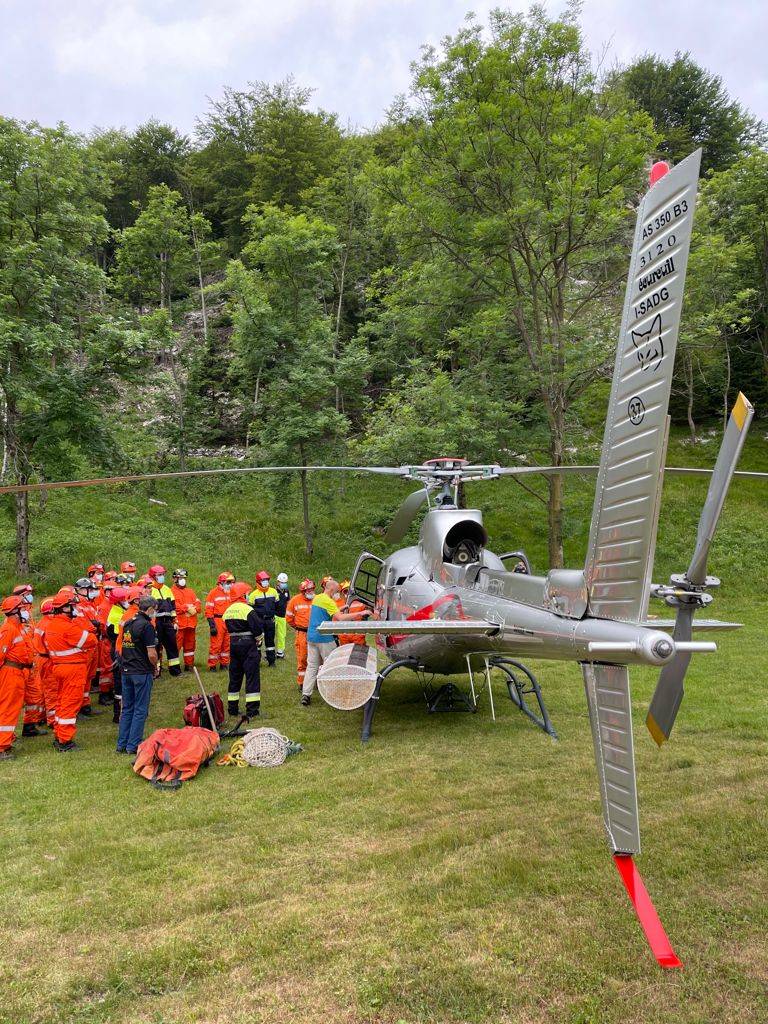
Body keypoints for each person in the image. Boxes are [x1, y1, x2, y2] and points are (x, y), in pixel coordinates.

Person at [301, 577, 370, 706]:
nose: (337, 594)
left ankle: (306, 694)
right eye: (337, 591)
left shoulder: (318, 598)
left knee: (312, 666)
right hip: (324, 638)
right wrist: (360, 613)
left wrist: (343, 607)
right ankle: (334, 693)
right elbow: (341, 618)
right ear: (332, 589)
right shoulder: (329, 601)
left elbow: (329, 611)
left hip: (311, 637)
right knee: (331, 666)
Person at [43, 591, 97, 751]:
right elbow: (91, 640)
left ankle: (59, 734)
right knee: (70, 703)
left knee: (61, 702)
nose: (75, 608)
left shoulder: (52, 625)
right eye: (72, 605)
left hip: (59, 667)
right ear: (64, 608)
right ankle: (65, 741)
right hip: (72, 669)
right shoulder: (68, 627)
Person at [117, 596, 159, 755]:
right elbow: (151, 653)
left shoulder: (129, 623)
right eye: (155, 610)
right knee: (140, 710)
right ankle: (133, 745)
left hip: (126, 671)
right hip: (141, 672)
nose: (155, 613)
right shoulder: (146, 626)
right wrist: (155, 666)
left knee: (127, 708)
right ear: (149, 609)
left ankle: (122, 744)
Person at [0, 595, 35, 760]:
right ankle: (2, 747)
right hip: (10, 673)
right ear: (14, 611)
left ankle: (6, 741)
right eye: (22, 608)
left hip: (18, 672)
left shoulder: (18, 626)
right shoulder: (8, 629)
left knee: (12, 709)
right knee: (8, 709)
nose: (26, 611)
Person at [222, 593, 266, 720]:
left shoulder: (228, 610)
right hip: (248, 645)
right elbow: (257, 627)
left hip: (234, 644)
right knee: (252, 677)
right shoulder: (247, 609)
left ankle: (232, 708)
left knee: (235, 677)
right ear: (242, 596)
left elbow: (225, 625)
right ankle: (252, 710)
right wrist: (259, 639)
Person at [12, 584, 46, 735]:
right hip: (20, 665)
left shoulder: (27, 613)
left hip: (31, 661)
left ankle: (30, 725)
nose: (31, 596)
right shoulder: (14, 619)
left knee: (35, 695)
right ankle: (6, 738)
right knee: (16, 700)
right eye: (28, 593)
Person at [73, 576, 103, 712]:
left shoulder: (90, 605)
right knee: (81, 678)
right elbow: (84, 626)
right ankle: (77, 707)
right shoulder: (78, 607)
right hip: (84, 647)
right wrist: (94, 626)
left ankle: (85, 704)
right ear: (81, 590)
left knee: (89, 676)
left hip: (93, 644)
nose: (92, 592)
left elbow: (98, 623)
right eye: (89, 589)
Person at [147, 564, 181, 677]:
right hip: (156, 623)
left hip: (167, 622)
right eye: (159, 575)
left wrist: (175, 621)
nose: (162, 577)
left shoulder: (167, 589)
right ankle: (155, 672)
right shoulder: (149, 590)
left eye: (163, 574)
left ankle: (175, 671)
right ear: (153, 576)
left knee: (172, 646)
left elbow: (173, 607)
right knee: (155, 647)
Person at [105, 586, 132, 724]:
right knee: (120, 683)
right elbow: (119, 636)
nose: (128, 602)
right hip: (118, 651)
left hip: (119, 649)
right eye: (125, 600)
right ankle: (118, 714)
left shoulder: (119, 611)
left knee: (122, 681)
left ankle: (122, 713)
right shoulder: (117, 615)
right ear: (118, 602)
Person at [285, 579, 315, 691]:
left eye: (312, 589)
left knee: (317, 658)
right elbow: (289, 618)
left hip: (315, 633)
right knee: (302, 658)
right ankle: (302, 682)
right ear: (303, 591)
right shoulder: (295, 601)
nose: (311, 592)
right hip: (302, 633)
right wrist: (298, 627)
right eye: (308, 590)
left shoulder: (317, 600)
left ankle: (316, 681)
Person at [171, 569, 201, 671]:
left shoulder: (190, 591)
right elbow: (174, 606)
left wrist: (194, 609)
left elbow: (198, 604)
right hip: (179, 624)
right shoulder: (171, 592)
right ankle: (175, 666)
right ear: (174, 579)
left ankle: (189, 665)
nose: (182, 580)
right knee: (176, 645)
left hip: (191, 624)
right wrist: (187, 608)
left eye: (184, 578)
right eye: (180, 578)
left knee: (190, 645)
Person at [205, 572, 235, 671]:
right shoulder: (213, 593)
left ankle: (224, 663)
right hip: (218, 620)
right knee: (216, 644)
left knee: (227, 644)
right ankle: (212, 665)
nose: (231, 584)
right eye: (229, 582)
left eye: (232, 582)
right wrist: (212, 625)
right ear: (221, 582)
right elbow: (208, 610)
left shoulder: (232, 592)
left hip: (229, 620)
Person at [249, 571, 278, 667]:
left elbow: (277, 605)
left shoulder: (273, 592)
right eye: (263, 580)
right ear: (258, 581)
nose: (265, 582)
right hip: (259, 621)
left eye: (266, 580)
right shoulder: (253, 595)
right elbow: (250, 609)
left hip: (270, 620)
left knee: (270, 641)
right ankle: (256, 661)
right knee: (258, 641)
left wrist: (274, 616)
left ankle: (271, 661)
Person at [335, 580, 369, 647]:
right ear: (342, 593)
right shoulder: (338, 604)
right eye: (345, 591)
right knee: (345, 653)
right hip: (343, 634)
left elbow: (369, 612)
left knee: (359, 653)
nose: (348, 593)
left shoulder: (360, 601)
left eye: (349, 590)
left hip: (357, 633)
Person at [274, 573, 290, 658]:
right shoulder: (273, 591)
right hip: (274, 615)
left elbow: (288, 601)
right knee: (271, 634)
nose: (284, 584)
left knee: (282, 634)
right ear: (278, 582)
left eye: (285, 582)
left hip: (283, 616)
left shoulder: (286, 591)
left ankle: (280, 652)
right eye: (282, 582)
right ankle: (270, 651)